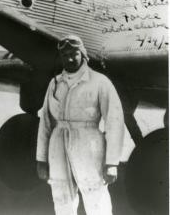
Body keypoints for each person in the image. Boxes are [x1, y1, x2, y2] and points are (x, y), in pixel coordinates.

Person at [36, 34, 124, 215]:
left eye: (74, 53)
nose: (69, 58)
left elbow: (114, 122)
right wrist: (41, 159)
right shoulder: (54, 84)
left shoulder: (100, 82)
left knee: (96, 197)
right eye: (64, 54)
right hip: (58, 143)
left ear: (82, 53)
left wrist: (112, 162)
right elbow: (45, 121)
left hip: (89, 143)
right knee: (61, 197)